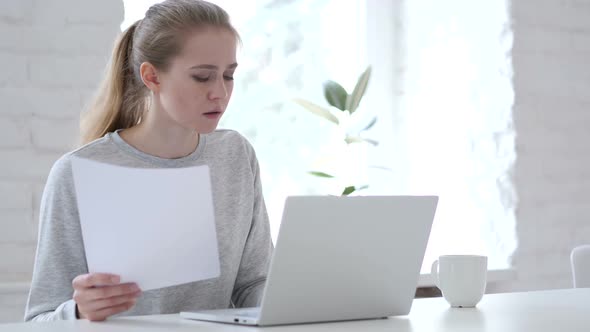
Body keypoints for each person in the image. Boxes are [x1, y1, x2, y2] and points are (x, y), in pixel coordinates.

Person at [24, 0, 272, 322]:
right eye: (202, 77)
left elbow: (254, 283)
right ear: (152, 76)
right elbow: (37, 321)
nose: (220, 93)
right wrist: (79, 311)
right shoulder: (77, 173)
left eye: (228, 76)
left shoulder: (235, 156)